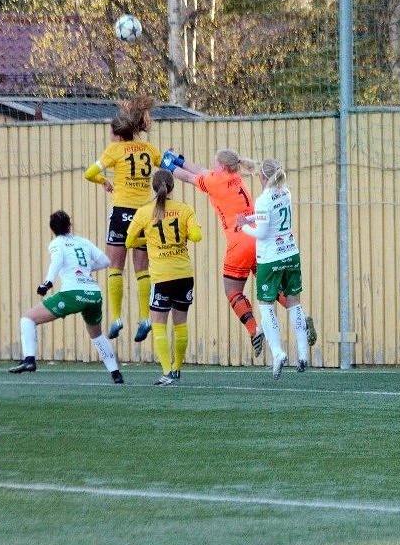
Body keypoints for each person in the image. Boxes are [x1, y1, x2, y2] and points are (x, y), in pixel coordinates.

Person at [163, 148, 316, 358]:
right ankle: (301, 318)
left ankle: (255, 330)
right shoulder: (234, 177)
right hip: (257, 242)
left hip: (239, 242)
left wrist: (167, 165)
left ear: (222, 166)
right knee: (272, 288)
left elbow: (189, 177)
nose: (212, 166)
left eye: (215, 163)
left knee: (232, 290)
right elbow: (201, 170)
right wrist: (179, 160)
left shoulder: (216, 182)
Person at [8, 211, 123, 383]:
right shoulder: (83, 242)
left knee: (27, 319)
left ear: (52, 229)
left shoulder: (57, 243)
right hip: (93, 295)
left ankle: (29, 359)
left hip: (72, 294)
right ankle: (116, 374)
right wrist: (86, 269)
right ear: (70, 225)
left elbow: (57, 261)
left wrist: (47, 283)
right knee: (97, 336)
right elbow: (106, 261)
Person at [83, 95, 162, 343]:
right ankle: (145, 318)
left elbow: (89, 173)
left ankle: (116, 318)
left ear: (117, 134)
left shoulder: (114, 150)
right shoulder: (148, 149)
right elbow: (166, 164)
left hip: (122, 212)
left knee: (115, 267)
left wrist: (103, 181)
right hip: (144, 214)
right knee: (142, 269)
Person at [235, 159, 312, 379]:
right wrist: (249, 218)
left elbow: (260, 232)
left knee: (266, 306)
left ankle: (278, 353)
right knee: (294, 303)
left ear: (261, 177)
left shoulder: (263, 200)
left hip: (270, 259)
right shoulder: (285, 192)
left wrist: (243, 225)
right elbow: (268, 217)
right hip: (291, 253)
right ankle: (303, 354)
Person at [126, 170, 202, 385]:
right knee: (180, 323)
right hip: (184, 274)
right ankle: (177, 369)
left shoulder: (144, 212)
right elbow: (197, 236)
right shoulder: (185, 209)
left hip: (161, 276)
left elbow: (129, 242)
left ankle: (167, 371)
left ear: (153, 187)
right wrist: (186, 234)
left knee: (158, 323)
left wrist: (148, 238)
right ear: (172, 187)